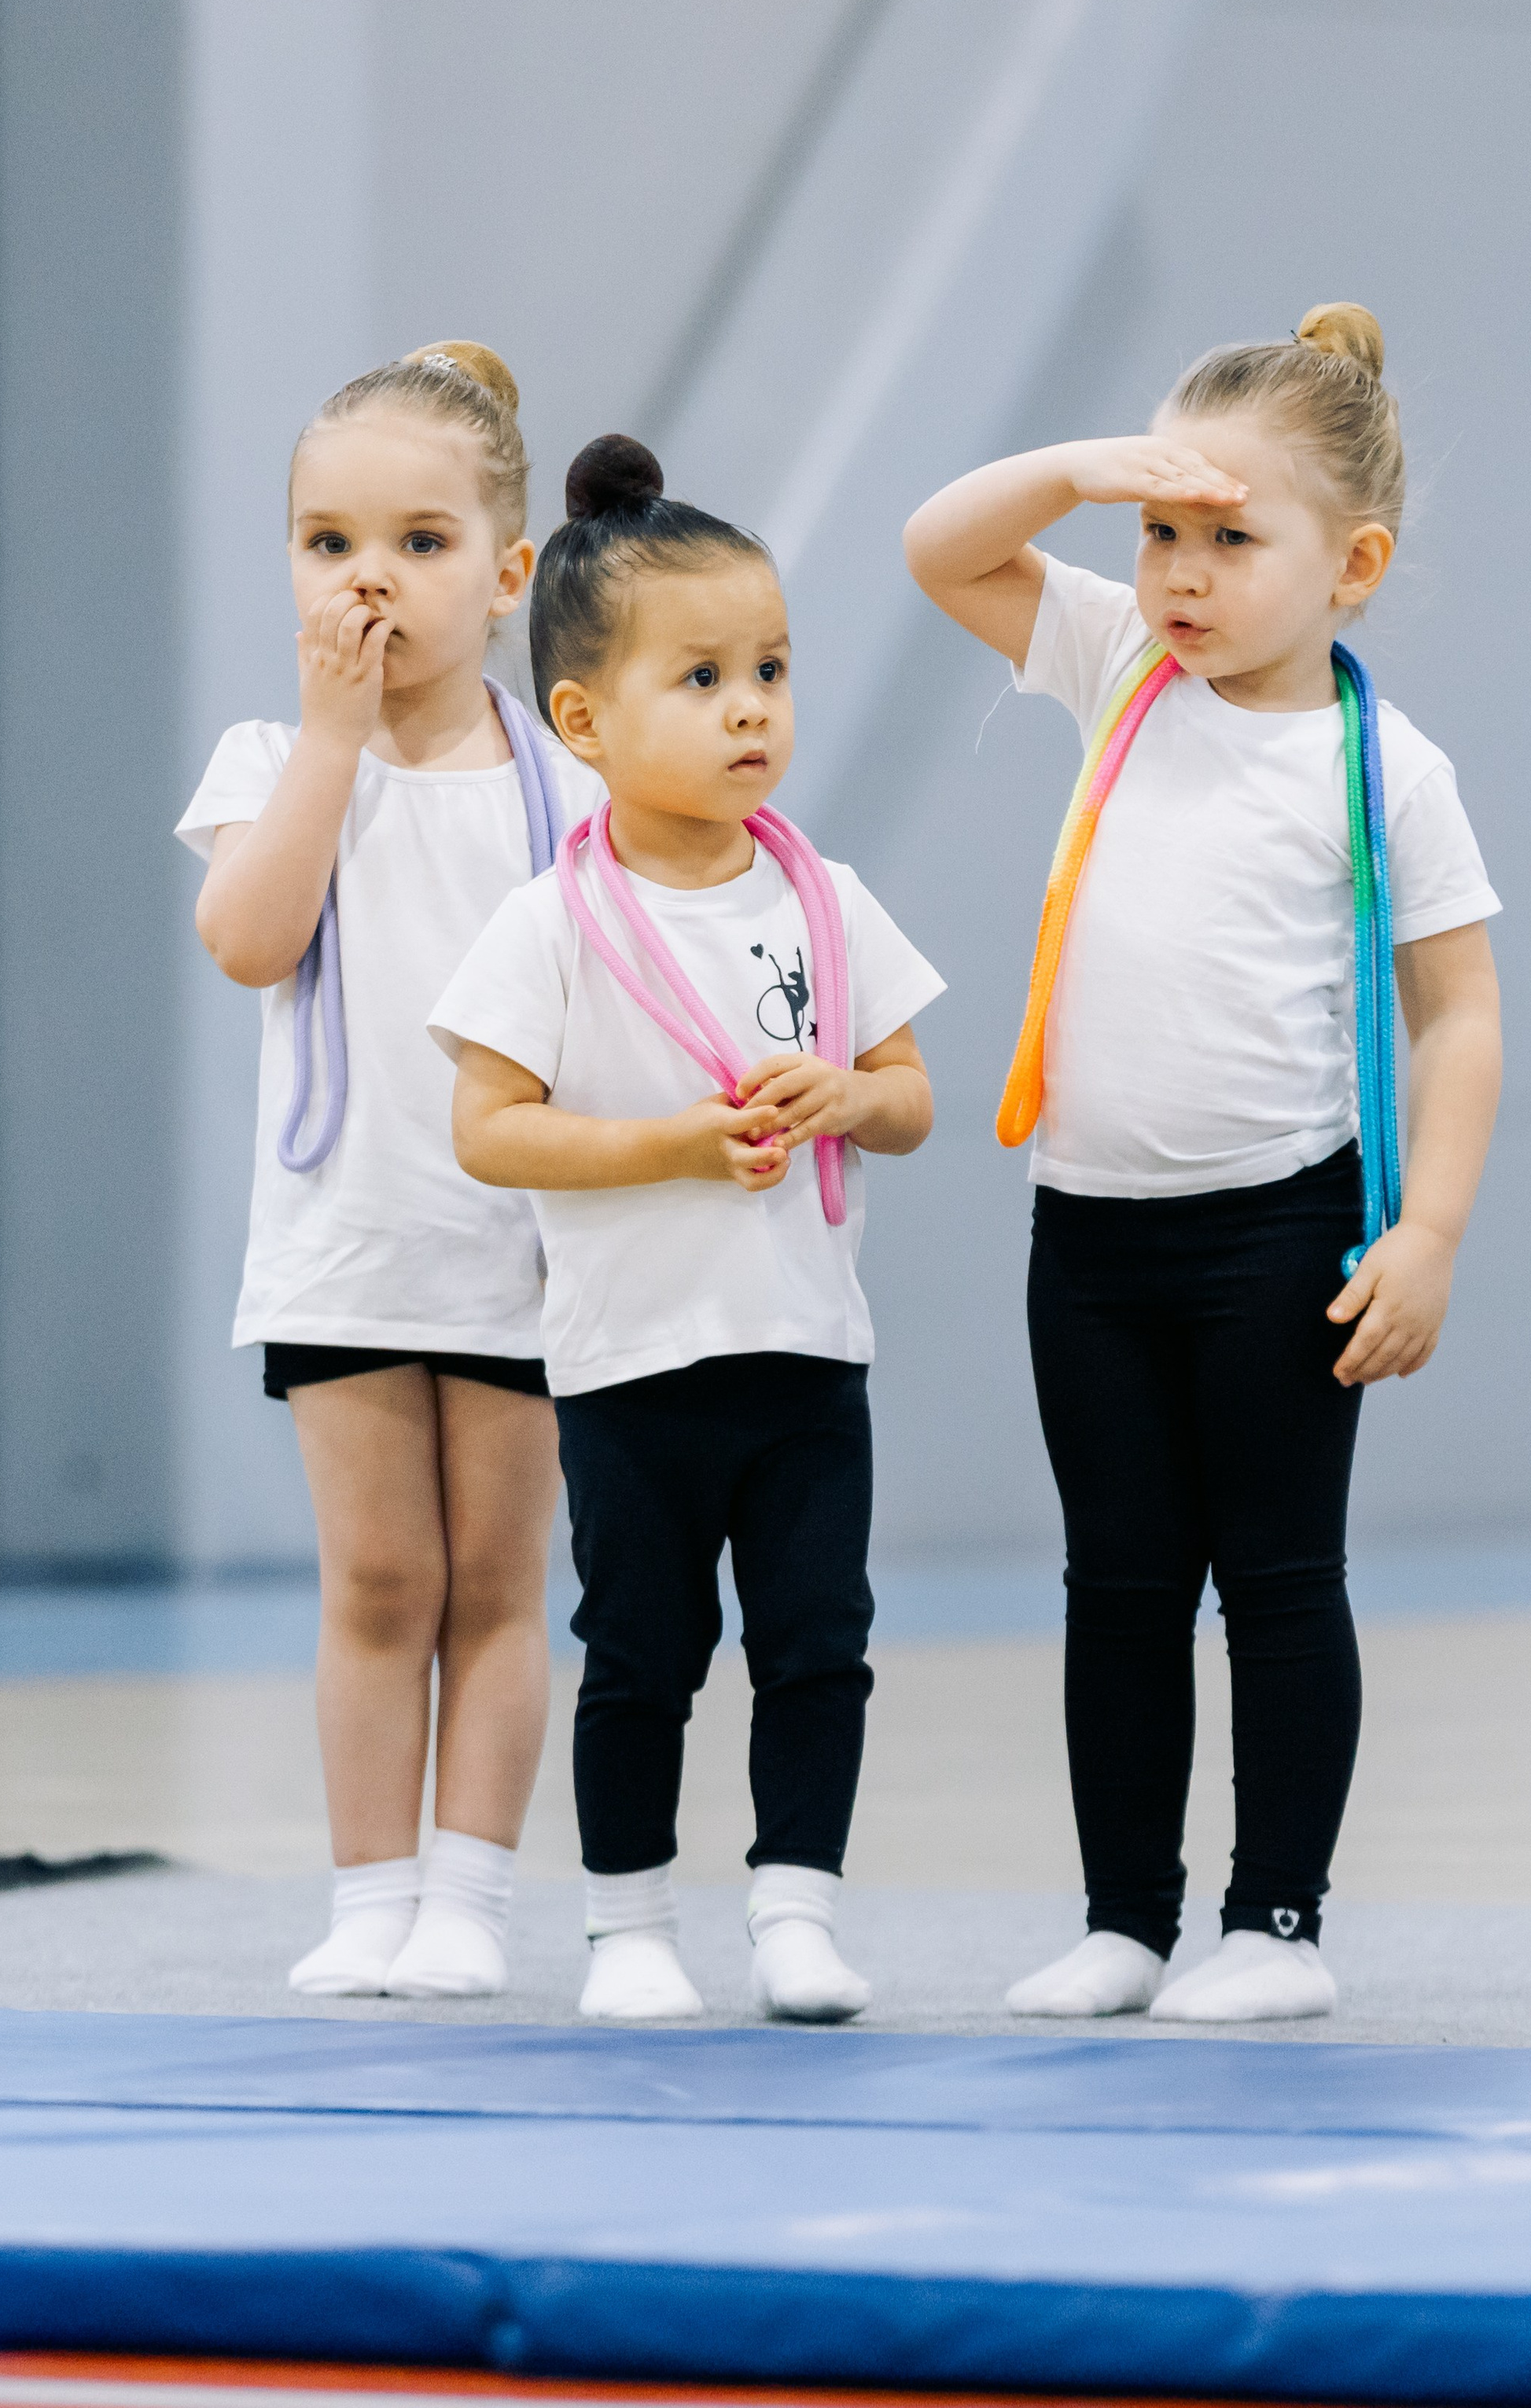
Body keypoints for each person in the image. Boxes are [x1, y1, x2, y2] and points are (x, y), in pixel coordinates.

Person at [904, 305, 1502, 2024]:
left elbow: (1454, 1014)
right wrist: (1081, 469)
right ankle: (1122, 1917)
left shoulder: (1377, 761)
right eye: (1157, 531)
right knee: (1116, 1584)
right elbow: (939, 546)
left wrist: (1431, 1231)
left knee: (1277, 1577)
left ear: (1352, 564)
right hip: (1088, 1228)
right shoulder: (1114, 666)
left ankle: (1274, 1925)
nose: (1176, 569)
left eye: (1228, 539)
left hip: (1281, 1229)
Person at [429, 436, 943, 2024]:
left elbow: (914, 1095)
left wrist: (843, 1101)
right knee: (641, 1654)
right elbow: (488, 1129)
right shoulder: (551, 922)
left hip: (801, 1349)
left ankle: (795, 1913)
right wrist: (669, 1140)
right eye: (704, 675)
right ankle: (628, 1927)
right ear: (582, 721)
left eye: (769, 670)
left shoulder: (822, 896)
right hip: (630, 1363)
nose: (749, 708)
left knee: (814, 1647)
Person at [177, 344, 602, 2001]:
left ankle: (470, 1900)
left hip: (525, 1247)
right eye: (330, 542)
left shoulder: (573, 787)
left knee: (496, 1584)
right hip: (346, 1242)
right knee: (375, 1580)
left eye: (421, 545)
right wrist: (330, 742)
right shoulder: (264, 764)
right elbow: (248, 939)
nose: (372, 579)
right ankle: (367, 1894)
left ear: (504, 578)